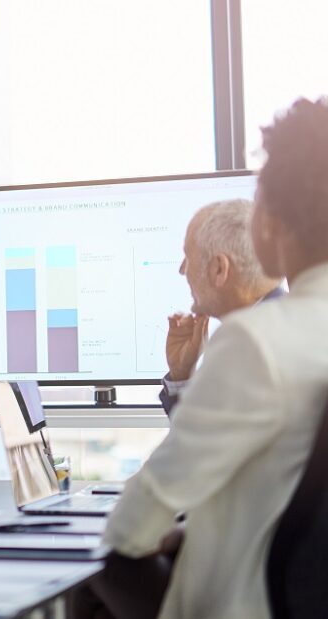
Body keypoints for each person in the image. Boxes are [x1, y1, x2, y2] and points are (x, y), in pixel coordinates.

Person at [77, 97, 328, 619]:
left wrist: (173, 535)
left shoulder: (259, 340)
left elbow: (130, 527)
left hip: (241, 603)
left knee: (98, 568)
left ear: (274, 223)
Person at [159, 199, 284, 416]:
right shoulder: (272, 326)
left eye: (188, 257)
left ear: (219, 269)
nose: (182, 270)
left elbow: (198, 447)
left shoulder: (250, 348)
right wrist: (181, 375)